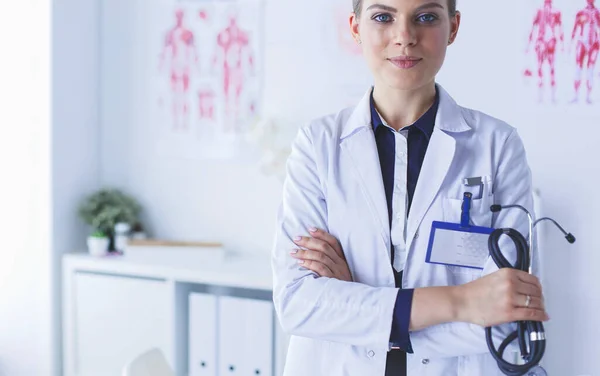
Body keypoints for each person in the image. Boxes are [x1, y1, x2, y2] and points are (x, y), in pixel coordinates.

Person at [271, 0, 548, 375]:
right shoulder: (318, 145)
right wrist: (462, 301)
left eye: (426, 17)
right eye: (383, 17)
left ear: (453, 27)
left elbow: (509, 316)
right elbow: (298, 304)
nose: (404, 37)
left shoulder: (497, 146)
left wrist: (358, 306)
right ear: (355, 27)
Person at [525, 0, 564, 104]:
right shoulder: (539, 11)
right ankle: (540, 96)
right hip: (541, 42)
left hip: (550, 41)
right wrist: (529, 44)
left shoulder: (556, 12)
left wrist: (561, 44)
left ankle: (552, 97)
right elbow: (533, 27)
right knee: (540, 68)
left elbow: (559, 28)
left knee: (551, 69)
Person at [570, 0, 600, 104]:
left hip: (594, 43)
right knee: (578, 68)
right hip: (582, 42)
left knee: (590, 70)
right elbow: (575, 28)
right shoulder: (581, 12)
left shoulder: (597, 12)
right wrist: (571, 43)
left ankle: (588, 96)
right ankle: (576, 95)